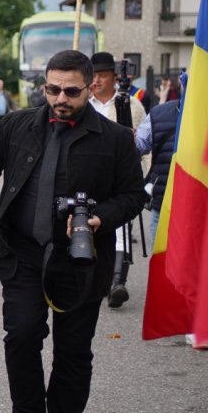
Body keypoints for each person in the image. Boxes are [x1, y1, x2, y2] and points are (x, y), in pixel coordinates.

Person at [0, 50, 144, 413]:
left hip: (80, 261)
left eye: (71, 91)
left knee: (73, 351)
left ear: (90, 87)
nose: (60, 98)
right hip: (22, 255)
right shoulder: (19, 124)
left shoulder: (116, 139)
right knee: (20, 338)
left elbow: (132, 196)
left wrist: (98, 219)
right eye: (53, 89)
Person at [86, 51, 148, 309]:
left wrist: (144, 177)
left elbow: (145, 142)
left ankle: (117, 282)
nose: (97, 80)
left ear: (114, 77)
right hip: (89, 177)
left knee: (121, 229)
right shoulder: (83, 103)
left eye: (102, 75)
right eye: (94, 75)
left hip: (119, 176)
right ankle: (95, 277)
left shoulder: (131, 105)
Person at [134, 76, 181, 250]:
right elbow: (137, 148)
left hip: (203, 207)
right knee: (161, 262)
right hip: (162, 204)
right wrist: (124, 138)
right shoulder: (159, 114)